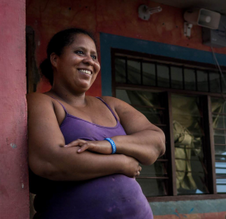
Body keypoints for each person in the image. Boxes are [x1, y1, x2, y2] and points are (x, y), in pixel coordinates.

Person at [27, 28, 166, 219]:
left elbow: (156, 143)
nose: (90, 61)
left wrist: (109, 145)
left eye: (94, 56)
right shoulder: (42, 102)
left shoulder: (112, 105)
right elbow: (49, 161)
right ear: (55, 59)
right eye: (80, 52)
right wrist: (121, 162)